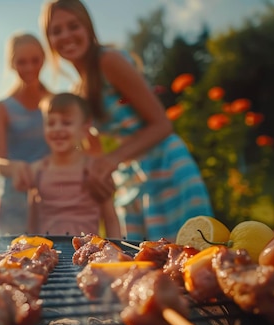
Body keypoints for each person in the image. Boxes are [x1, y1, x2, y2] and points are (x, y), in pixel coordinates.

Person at [40, 0, 214, 241]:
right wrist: (88, 167)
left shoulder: (108, 61)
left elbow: (162, 124)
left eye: (73, 26)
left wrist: (110, 160)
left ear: (88, 28)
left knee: (186, 258)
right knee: (145, 265)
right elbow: (89, 144)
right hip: (132, 178)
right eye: (56, 31)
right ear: (49, 40)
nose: (66, 35)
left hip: (166, 166)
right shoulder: (78, 90)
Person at [27, 92, 121, 238]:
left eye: (66, 123)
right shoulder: (38, 170)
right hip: (49, 254)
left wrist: (116, 251)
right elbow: (32, 224)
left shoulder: (96, 170)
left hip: (87, 254)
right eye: (51, 123)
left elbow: (111, 220)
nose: (57, 128)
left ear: (85, 127)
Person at [0, 33, 52, 234]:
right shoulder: (1, 108)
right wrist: (16, 167)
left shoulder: (56, 103)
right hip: (13, 202)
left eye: (35, 60)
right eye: (21, 62)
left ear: (44, 59)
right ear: (11, 64)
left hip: (50, 198)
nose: (29, 68)